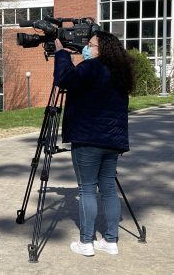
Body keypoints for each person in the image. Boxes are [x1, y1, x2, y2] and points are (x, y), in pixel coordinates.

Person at [53, 31, 135, 257]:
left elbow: (64, 80)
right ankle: (110, 241)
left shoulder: (91, 67)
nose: (86, 48)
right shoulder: (119, 73)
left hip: (88, 138)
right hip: (113, 141)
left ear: (102, 49)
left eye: (91, 45)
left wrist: (61, 55)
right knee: (108, 189)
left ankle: (86, 242)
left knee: (87, 189)